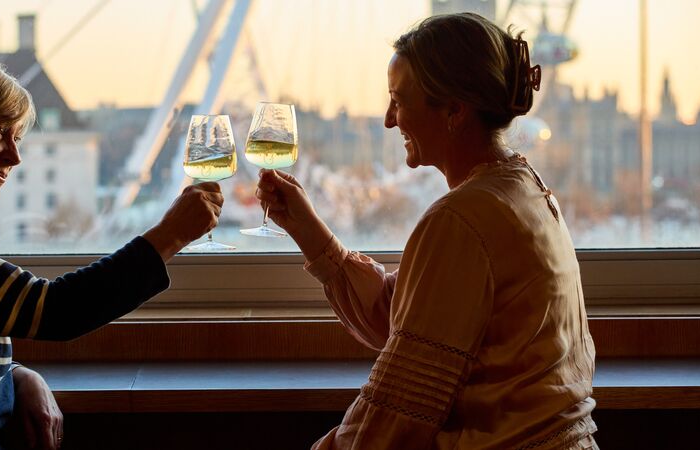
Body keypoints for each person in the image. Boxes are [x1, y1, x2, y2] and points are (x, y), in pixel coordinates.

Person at [255, 13, 597, 449]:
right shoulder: (522, 189)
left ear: (454, 110)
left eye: (398, 101)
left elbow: (396, 412)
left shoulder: (461, 219)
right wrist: (309, 232)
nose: (388, 120)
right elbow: (406, 317)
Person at [0, 53, 223, 449]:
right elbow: (55, 309)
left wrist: (18, 375)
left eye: (16, 138)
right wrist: (170, 235)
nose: (14, 156)